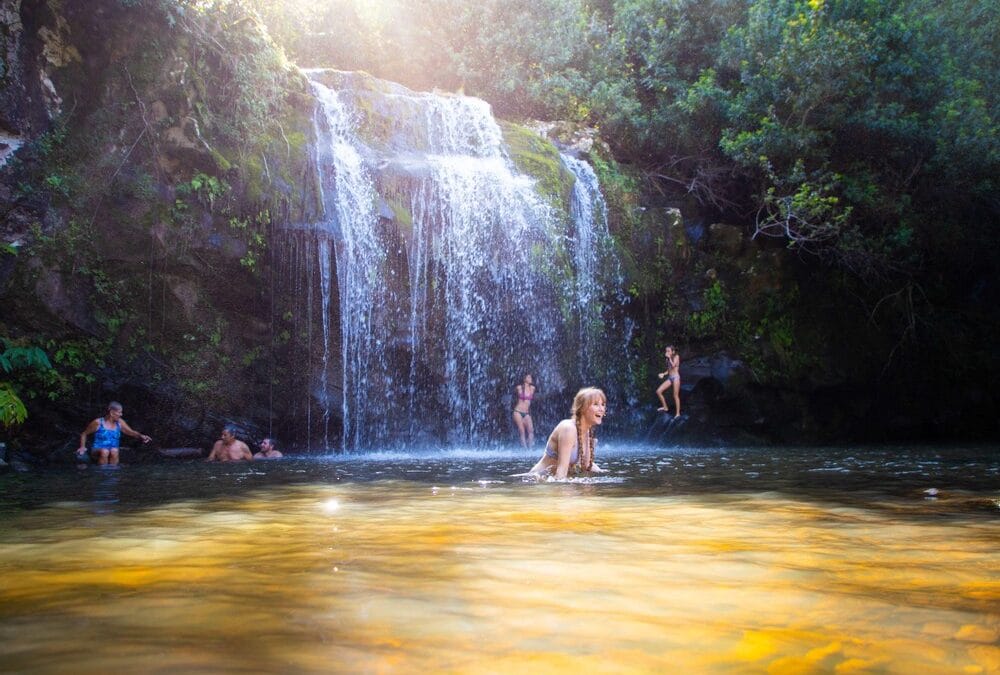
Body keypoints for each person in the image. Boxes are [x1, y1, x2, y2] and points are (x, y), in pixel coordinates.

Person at [526, 387, 606, 479]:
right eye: (596, 404)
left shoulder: (587, 432)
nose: (601, 409)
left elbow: (586, 467)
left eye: (603, 404)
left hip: (552, 480)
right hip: (537, 481)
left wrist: (607, 476)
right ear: (582, 408)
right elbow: (561, 472)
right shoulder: (568, 429)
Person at [77, 401, 152, 465]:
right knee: (105, 451)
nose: (121, 414)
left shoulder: (120, 422)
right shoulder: (98, 422)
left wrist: (141, 436)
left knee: (114, 450)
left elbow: (130, 432)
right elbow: (84, 434)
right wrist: (82, 447)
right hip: (97, 449)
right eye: (119, 412)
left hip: (113, 450)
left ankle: (113, 473)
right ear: (112, 413)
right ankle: (101, 472)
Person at [655, 345, 681, 417]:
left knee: (675, 395)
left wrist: (669, 358)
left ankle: (678, 413)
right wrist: (663, 374)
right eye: (666, 351)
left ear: (673, 352)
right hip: (670, 378)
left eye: (668, 351)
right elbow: (669, 370)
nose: (667, 352)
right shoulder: (667, 359)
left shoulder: (676, 357)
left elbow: (673, 366)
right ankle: (665, 407)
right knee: (658, 391)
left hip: (676, 378)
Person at [512, 372, 536, 448]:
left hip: (526, 413)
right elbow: (512, 395)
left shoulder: (532, 388)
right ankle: (525, 450)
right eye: (529, 377)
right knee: (522, 430)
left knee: (531, 430)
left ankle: (530, 448)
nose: (530, 379)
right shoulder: (519, 387)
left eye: (531, 377)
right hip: (517, 412)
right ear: (524, 379)